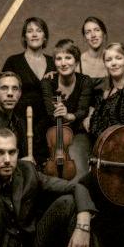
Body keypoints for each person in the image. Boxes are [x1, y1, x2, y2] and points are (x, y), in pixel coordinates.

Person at [1, 17, 53, 163]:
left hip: (48, 124)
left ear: (45, 36)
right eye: (30, 31)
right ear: (25, 37)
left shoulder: (54, 62)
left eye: (39, 31)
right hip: (21, 122)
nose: (34, 34)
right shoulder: (13, 61)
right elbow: (2, 91)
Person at [41, 39, 92, 180]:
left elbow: (83, 111)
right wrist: (60, 114)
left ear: (77, 62)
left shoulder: (85, 81)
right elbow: (51, 114)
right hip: (51, 134)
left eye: (68, 58)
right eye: (59, 59)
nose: (63, 63)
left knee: (79, 171)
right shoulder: (47, 82)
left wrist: (68, 116)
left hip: (77, 132)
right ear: (54, 62)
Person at [78, 16, 108, 90]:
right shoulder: (77, 62)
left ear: (103, 33)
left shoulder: (113, 59)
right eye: (88, 32)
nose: (93, 35)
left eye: (97, 30)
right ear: (84, 37)